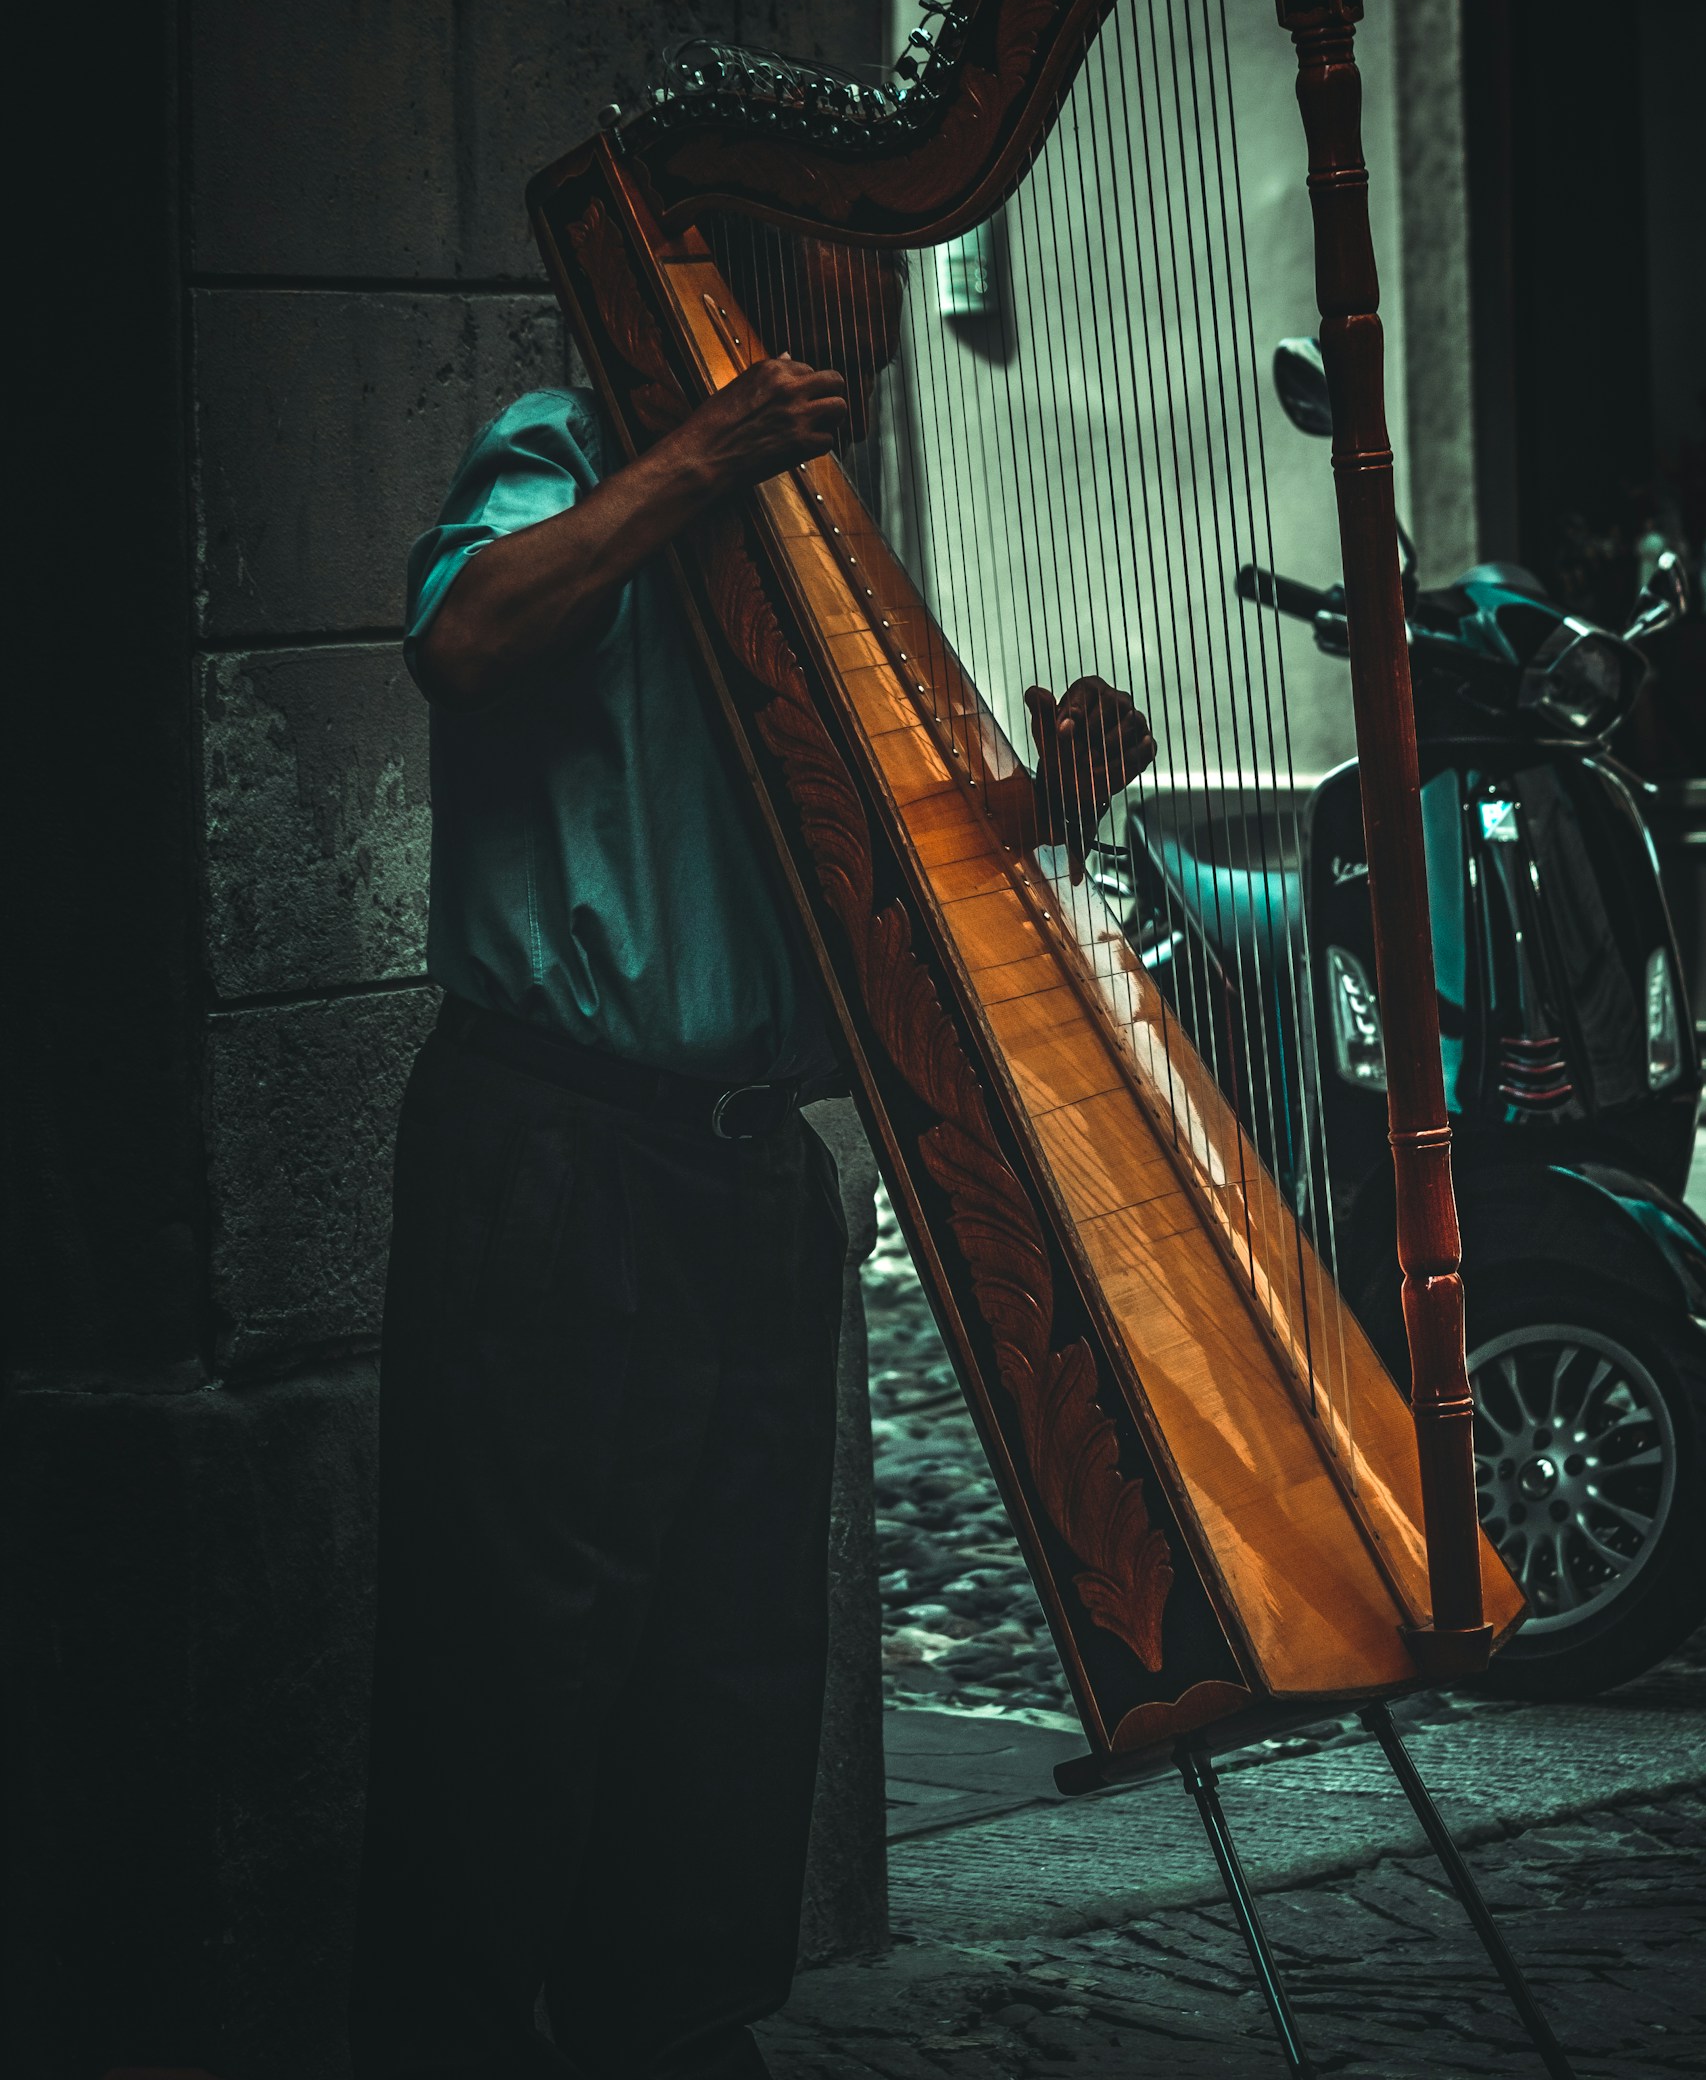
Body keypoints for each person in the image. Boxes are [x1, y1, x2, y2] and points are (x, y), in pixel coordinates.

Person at [349, 238, 1154, 2080]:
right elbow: (462, 643)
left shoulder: (820, 540)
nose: (873, 311)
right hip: (555, 1150)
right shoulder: (563, 449)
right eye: (846, 267)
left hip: (746, 1175)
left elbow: (880, 869)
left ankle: (678, 2031)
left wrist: (1046, 806)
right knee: (514, 1666)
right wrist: (697, 460)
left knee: (729, 1660)